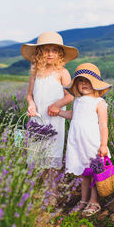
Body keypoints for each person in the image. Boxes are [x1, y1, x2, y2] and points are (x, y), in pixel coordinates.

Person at [21, 31, 78, 203]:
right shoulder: (35, 72)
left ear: (60, 53)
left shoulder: (62, 72)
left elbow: (70, 96)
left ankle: (52, 192)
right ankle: (40, 190)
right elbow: (29, 95)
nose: (51, 53)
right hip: (37, 119)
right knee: (38, 155)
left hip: (54, 120)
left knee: (52, 155)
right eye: (47, 50)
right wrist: (31, 105)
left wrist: (57, 106)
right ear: (40, 52)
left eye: (54, 50)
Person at [58, 63, 112, 216]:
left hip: (92, 143)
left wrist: (104, 144)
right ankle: (83, 200)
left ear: (96, 84)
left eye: (89, 81)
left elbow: (103, 124)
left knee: (95, 173)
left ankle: (94, 201)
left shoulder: (99, 102)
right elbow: (73, 115)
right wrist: (60, 113)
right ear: (76, 84)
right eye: (81, 81)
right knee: (84, 173)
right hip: (78, 143)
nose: (85, 84)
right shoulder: (78, 101)